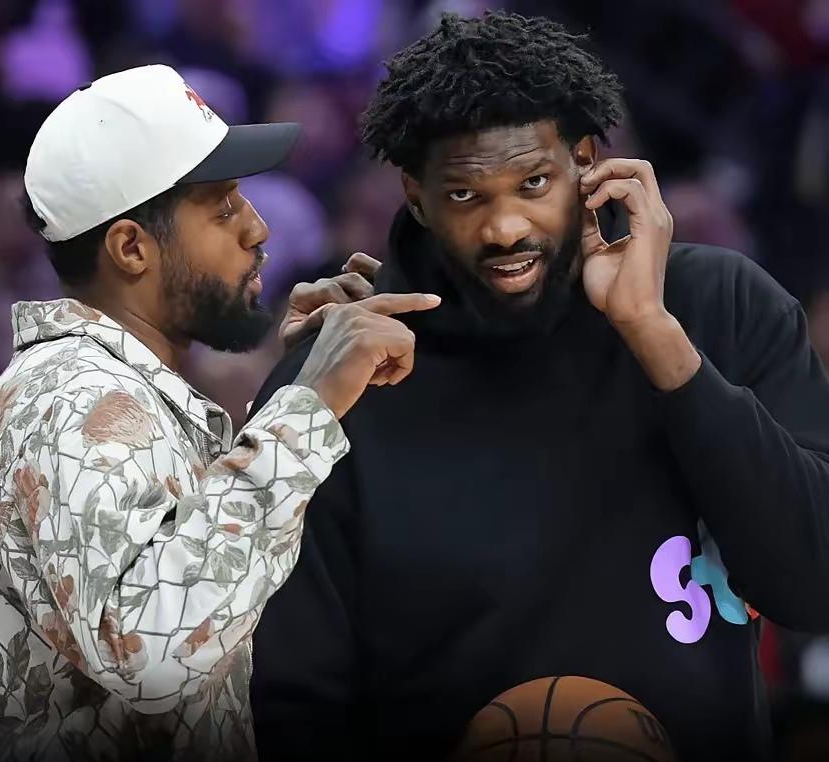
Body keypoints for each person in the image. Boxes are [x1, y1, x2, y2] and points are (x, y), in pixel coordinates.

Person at [249, 12, 829, 762]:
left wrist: (652, 331)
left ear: (585, 162)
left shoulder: (721, 305)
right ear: (416, 196)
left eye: (532, 183)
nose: (505, 227)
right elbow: (290, 698)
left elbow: (812, 584)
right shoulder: (341, 375)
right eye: (466, 195)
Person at [0, 64, 439, 762]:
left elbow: (198, 582)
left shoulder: (102, 388)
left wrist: (292, 382)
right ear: (131, 247)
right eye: (223, 207)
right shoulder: (76, 400)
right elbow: (155, 649)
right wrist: (308, 405)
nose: (257, 227)